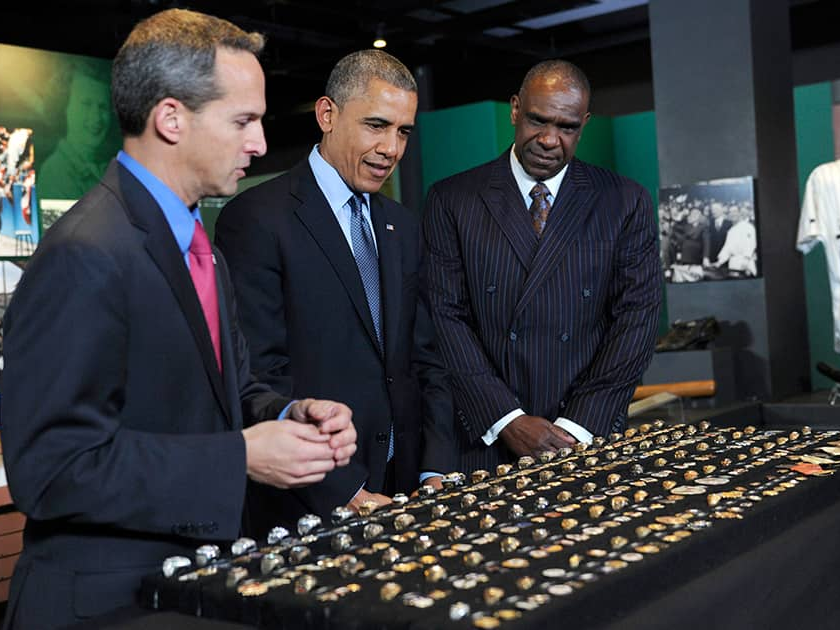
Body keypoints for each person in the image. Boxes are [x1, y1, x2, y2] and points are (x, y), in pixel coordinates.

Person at [0, 10, 357, 628]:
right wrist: (239, 457)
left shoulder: (201, 244)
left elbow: (225, 389)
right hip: (105, 605)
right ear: (170, 119)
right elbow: (50, 470)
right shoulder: (85, 252)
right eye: (243, 120)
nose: (261, 143)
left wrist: (283, 416)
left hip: (184, 587)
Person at [215, 50, 454, 535]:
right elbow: (260, 376)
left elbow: (425, 359)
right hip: (310, 503)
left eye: (403, 131)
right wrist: (345, 491)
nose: (391, 148)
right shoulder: (257, 220)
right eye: (376, 125)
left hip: (406, 488)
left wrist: (435, 469)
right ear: (327, 115)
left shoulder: (403, 227)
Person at [423, 59, 661, 474]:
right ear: (515, 109)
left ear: (584, 122)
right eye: (537, 121)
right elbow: (446, 319)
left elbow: (637, 320)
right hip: (488, 438)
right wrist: (508, 420)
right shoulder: (453, 199)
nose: (550, 140)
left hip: (586, 439)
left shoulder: (624, 200)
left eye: (567, 127)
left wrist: (578, 426)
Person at [38, 62, 114, 200]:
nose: (96, 117)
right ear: (63, 107)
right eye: (86, 104)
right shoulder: (54, 173)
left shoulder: (110, 167)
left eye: (103, 107)